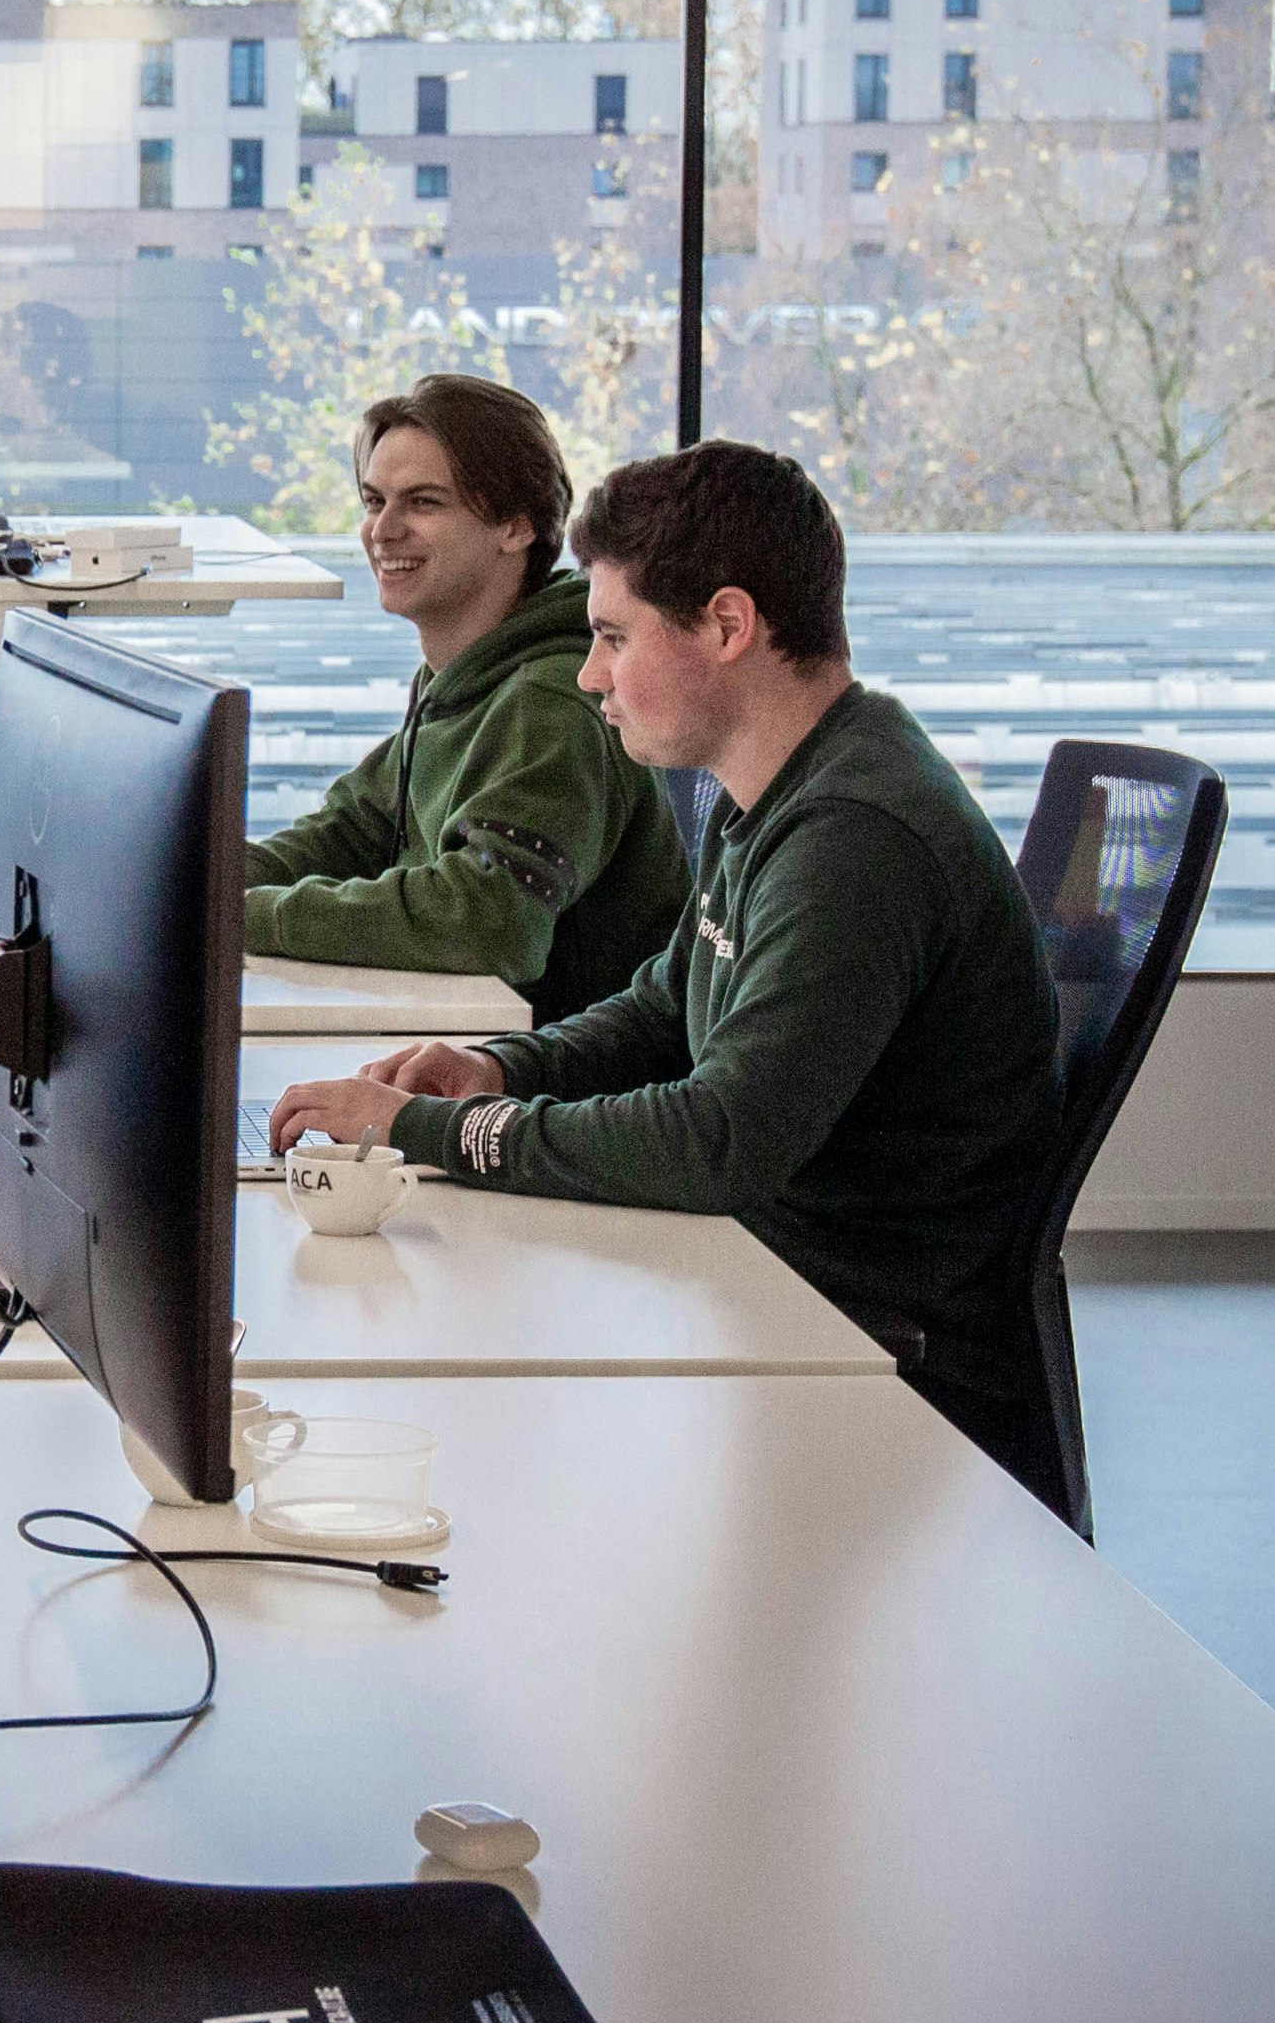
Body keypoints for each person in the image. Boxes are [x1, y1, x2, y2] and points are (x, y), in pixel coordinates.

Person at [269, 439, 1069, 1497]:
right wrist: (502, 1073)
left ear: (727, 626)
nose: (590, 673)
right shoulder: (779, 782)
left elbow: (716, 1141)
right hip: (768, 1283)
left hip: (878, 1367)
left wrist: (423, 1131)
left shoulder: (853, 839)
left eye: (610, 637)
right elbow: (665, 1003)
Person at [242, 374, 687, 1020]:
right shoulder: (456, 679)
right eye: (372, 501)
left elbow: (485, 922)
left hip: (550, 1095)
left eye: (422, 503)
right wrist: (195, 879)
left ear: (516, 525)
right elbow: (350, 832)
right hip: (457, 1047)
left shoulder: (552, 701)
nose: (380, 530)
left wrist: (237, 917)